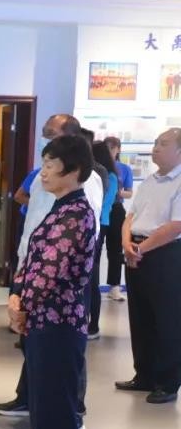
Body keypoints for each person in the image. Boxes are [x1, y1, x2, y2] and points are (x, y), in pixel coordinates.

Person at [8, 134, 97, 429]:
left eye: (50, 165)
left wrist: (21, 305)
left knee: (57, 412)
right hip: (42, 320)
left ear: (73, 171)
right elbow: (32, 260)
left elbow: (51, 271)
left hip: (59, 324)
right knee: (42, 408)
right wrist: (16, 295)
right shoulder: (60, 208)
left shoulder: (77, 214)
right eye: (43, 164)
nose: (42, 172)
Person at [0, 114, 102, 420]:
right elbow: (35, 225)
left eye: (50, 133)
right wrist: (18, 289)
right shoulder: (45, 183)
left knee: (61, 372)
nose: (44, 171)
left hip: (59, 299)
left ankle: (74, 411)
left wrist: (22, 303)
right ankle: (28, 398)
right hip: (33, 275)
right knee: (36, 356)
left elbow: (65, 253)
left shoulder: (84, 194)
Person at [115, 128, 181, 404]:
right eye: (155, 142)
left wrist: (141, 249)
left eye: (163, 144)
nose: (155, 148)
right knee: (140, 316)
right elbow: (130, 216)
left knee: (167, 319)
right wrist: (127, 243)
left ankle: (167, 382)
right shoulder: (150, 181)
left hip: (165, 254)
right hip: (137, 251)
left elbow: (175, 226)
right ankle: (144, 375)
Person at [88, 141, 119, 339]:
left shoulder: (108, 176)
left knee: (93, 273)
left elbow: (104, 204)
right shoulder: (94, 173)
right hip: (94, 223)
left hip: (100, 224)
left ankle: (93, 325)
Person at [104, 136, 134, 301]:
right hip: (101, 208)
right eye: (107, 148)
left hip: (116, 209)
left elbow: (129, 192)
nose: (109, 151)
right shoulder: (100, 167)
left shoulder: (124, 168)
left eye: (112, 148)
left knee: (115, 248)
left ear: (118, 149)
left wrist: (119, 192)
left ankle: (114, 286)